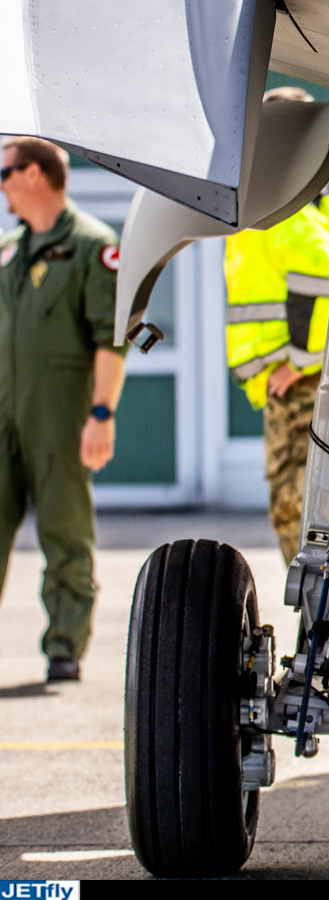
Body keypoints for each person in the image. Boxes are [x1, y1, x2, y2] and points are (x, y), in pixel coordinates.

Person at [224, 86, 329, 686]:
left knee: (304, 515)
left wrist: (300, 358)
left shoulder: (287, 203)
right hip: (318, 381)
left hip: (301, 391)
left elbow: (324, 274)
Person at [0, 137, 126, 682]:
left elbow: (110, 339)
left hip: (60, 411)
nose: (2, 186)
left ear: (34, 174)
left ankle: (64, 645)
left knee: (64, 529)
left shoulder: (92, 247)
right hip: (4, 407)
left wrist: (101, 414)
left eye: (5, 174)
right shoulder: (8, 251)